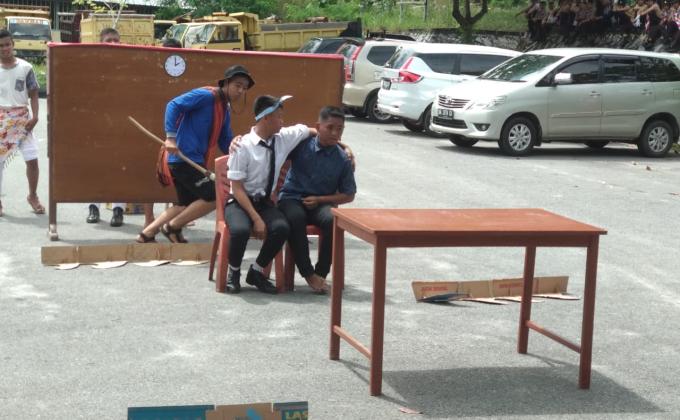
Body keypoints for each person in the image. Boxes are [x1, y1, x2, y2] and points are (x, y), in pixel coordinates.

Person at [136, 64, 254, 243]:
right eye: (238, 85)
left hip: (190, 160)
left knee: (184, 204)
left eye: (244, 88)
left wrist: (239, 156)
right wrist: (171, 138)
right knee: (215, 196)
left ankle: (146, 234)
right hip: (183, 158)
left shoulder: (224, 108)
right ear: (226, 83)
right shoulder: (206, 96)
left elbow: (225, 140)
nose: (241, 91)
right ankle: (172, 227)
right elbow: (173, 105)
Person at [224, 95, 317, 295]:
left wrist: (344, 147)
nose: (283, 121)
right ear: (266, 118)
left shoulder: (283, 138)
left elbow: (312, 131)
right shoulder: (242, 146)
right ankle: (234, 272)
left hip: (264, 202)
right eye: (279, 117)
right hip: (240, 201)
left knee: (281, 228)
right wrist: (256, 219)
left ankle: (256, 271)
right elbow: (237, 188)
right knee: (240, 231)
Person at [278, 106, 356, 293]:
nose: (335, 133)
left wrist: (320, 199)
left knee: (333, 220)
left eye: (340, 129)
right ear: (318, 127)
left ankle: (321, 273)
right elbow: (274, 141)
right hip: (292, 198)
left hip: (320, 203)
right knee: (295, 218)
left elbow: (349, 194)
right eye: (330, 128)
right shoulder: (301, 144)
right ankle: (308, 273)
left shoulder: (342, 159)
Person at [0, 29, 44, 217]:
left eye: (7, 44)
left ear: (13, 44)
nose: (5, 48)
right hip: (1, 120)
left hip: (23, 121)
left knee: (32, 160)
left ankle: (33, 196)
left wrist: (35, 117)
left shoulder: (26, 67)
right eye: (1, 46)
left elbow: (34, 93)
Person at [87, 27, 126, 226]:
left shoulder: (126, 65)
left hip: (121, 122)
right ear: (101, 42)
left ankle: (118, 210)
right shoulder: (92, 65)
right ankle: (93, 207)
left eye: (116, 40)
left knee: (120, 167)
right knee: (96, 166)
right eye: (109, 40)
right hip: (98, 122)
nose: (113, 44)